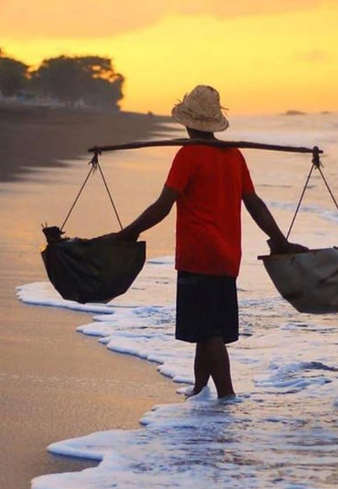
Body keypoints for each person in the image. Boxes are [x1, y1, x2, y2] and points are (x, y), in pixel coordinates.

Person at [110, 85, 306, 399]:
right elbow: (254, 202)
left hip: (197, 256)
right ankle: (201, 389)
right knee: (207, 327)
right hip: (227, 258)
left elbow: (163, 205)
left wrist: (128, 233)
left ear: (188, 123)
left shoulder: (188, 156)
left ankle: (227, 396)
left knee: (209, 331)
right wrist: (279, 240)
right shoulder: (233, 156)